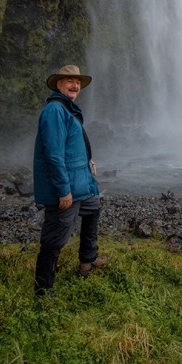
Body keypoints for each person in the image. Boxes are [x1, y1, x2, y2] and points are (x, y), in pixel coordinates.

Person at [33, 64, 108, 295]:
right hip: (68, 186)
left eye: (77, 82)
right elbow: (54, 154)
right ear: (59, 84)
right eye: (69, 81)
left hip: (81, 181)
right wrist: (63, 190)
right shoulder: (55, 110)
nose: (74, 85)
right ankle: (43, 289)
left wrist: (88, 160)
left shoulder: (68, 109)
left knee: (93, 209)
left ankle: (87, 260)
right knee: (55, 236)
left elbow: (71, 146)